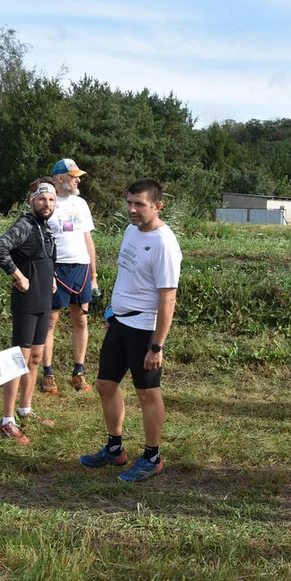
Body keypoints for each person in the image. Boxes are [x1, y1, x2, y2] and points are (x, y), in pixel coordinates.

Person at [79, 178, 182, 483]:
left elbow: (168, 298)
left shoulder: (164, 243)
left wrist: (157, 345)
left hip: (144, 330)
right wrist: (114, 310)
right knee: (105, 385)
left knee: (147, 393)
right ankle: (115, 448)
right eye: (129, 203)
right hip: (120, 323)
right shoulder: (131, 231)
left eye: (139, 204)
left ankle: (152, 456)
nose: (132, 209)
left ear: (157, 206)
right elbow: (128, 277)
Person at [0, 179, 58, 443]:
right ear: (32, 200)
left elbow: (47, 258)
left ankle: (25, 409)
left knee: (37, 357)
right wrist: (17, 275)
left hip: (44, 302)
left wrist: (51, 276)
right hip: (26, 303)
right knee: (19, 359)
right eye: (42, 199)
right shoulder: (25, 225)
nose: (47, 204)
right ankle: (7, 421)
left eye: (51, 200)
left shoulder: (46, 228)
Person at [41, 158, 99, 394]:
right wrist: (46, 272)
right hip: (58, 268)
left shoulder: (81, 204)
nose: (78, 179)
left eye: (78, 175)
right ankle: (47, 374)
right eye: (73, 175)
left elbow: (88, 240)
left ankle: (78, 372)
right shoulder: (48, 202)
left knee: (81, 320)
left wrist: (94, 275)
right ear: (59, 178)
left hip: (82, 268)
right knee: (50, 322)